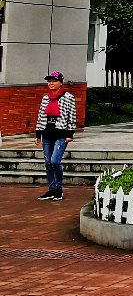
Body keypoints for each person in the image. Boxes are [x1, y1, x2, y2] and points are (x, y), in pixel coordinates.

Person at [34, 72, 77, 201]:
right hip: (47, 134)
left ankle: (58, 189)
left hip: (61, 135)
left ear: (61, 82)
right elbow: (41, 117)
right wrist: (38, 135)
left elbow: (72, 116)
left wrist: (70, 134)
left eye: (54, 80)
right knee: (47, 163)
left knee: (54, 161)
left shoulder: (68, 97)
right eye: (49, 81)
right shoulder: (45, 98)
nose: (51, 83)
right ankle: (51, 189)